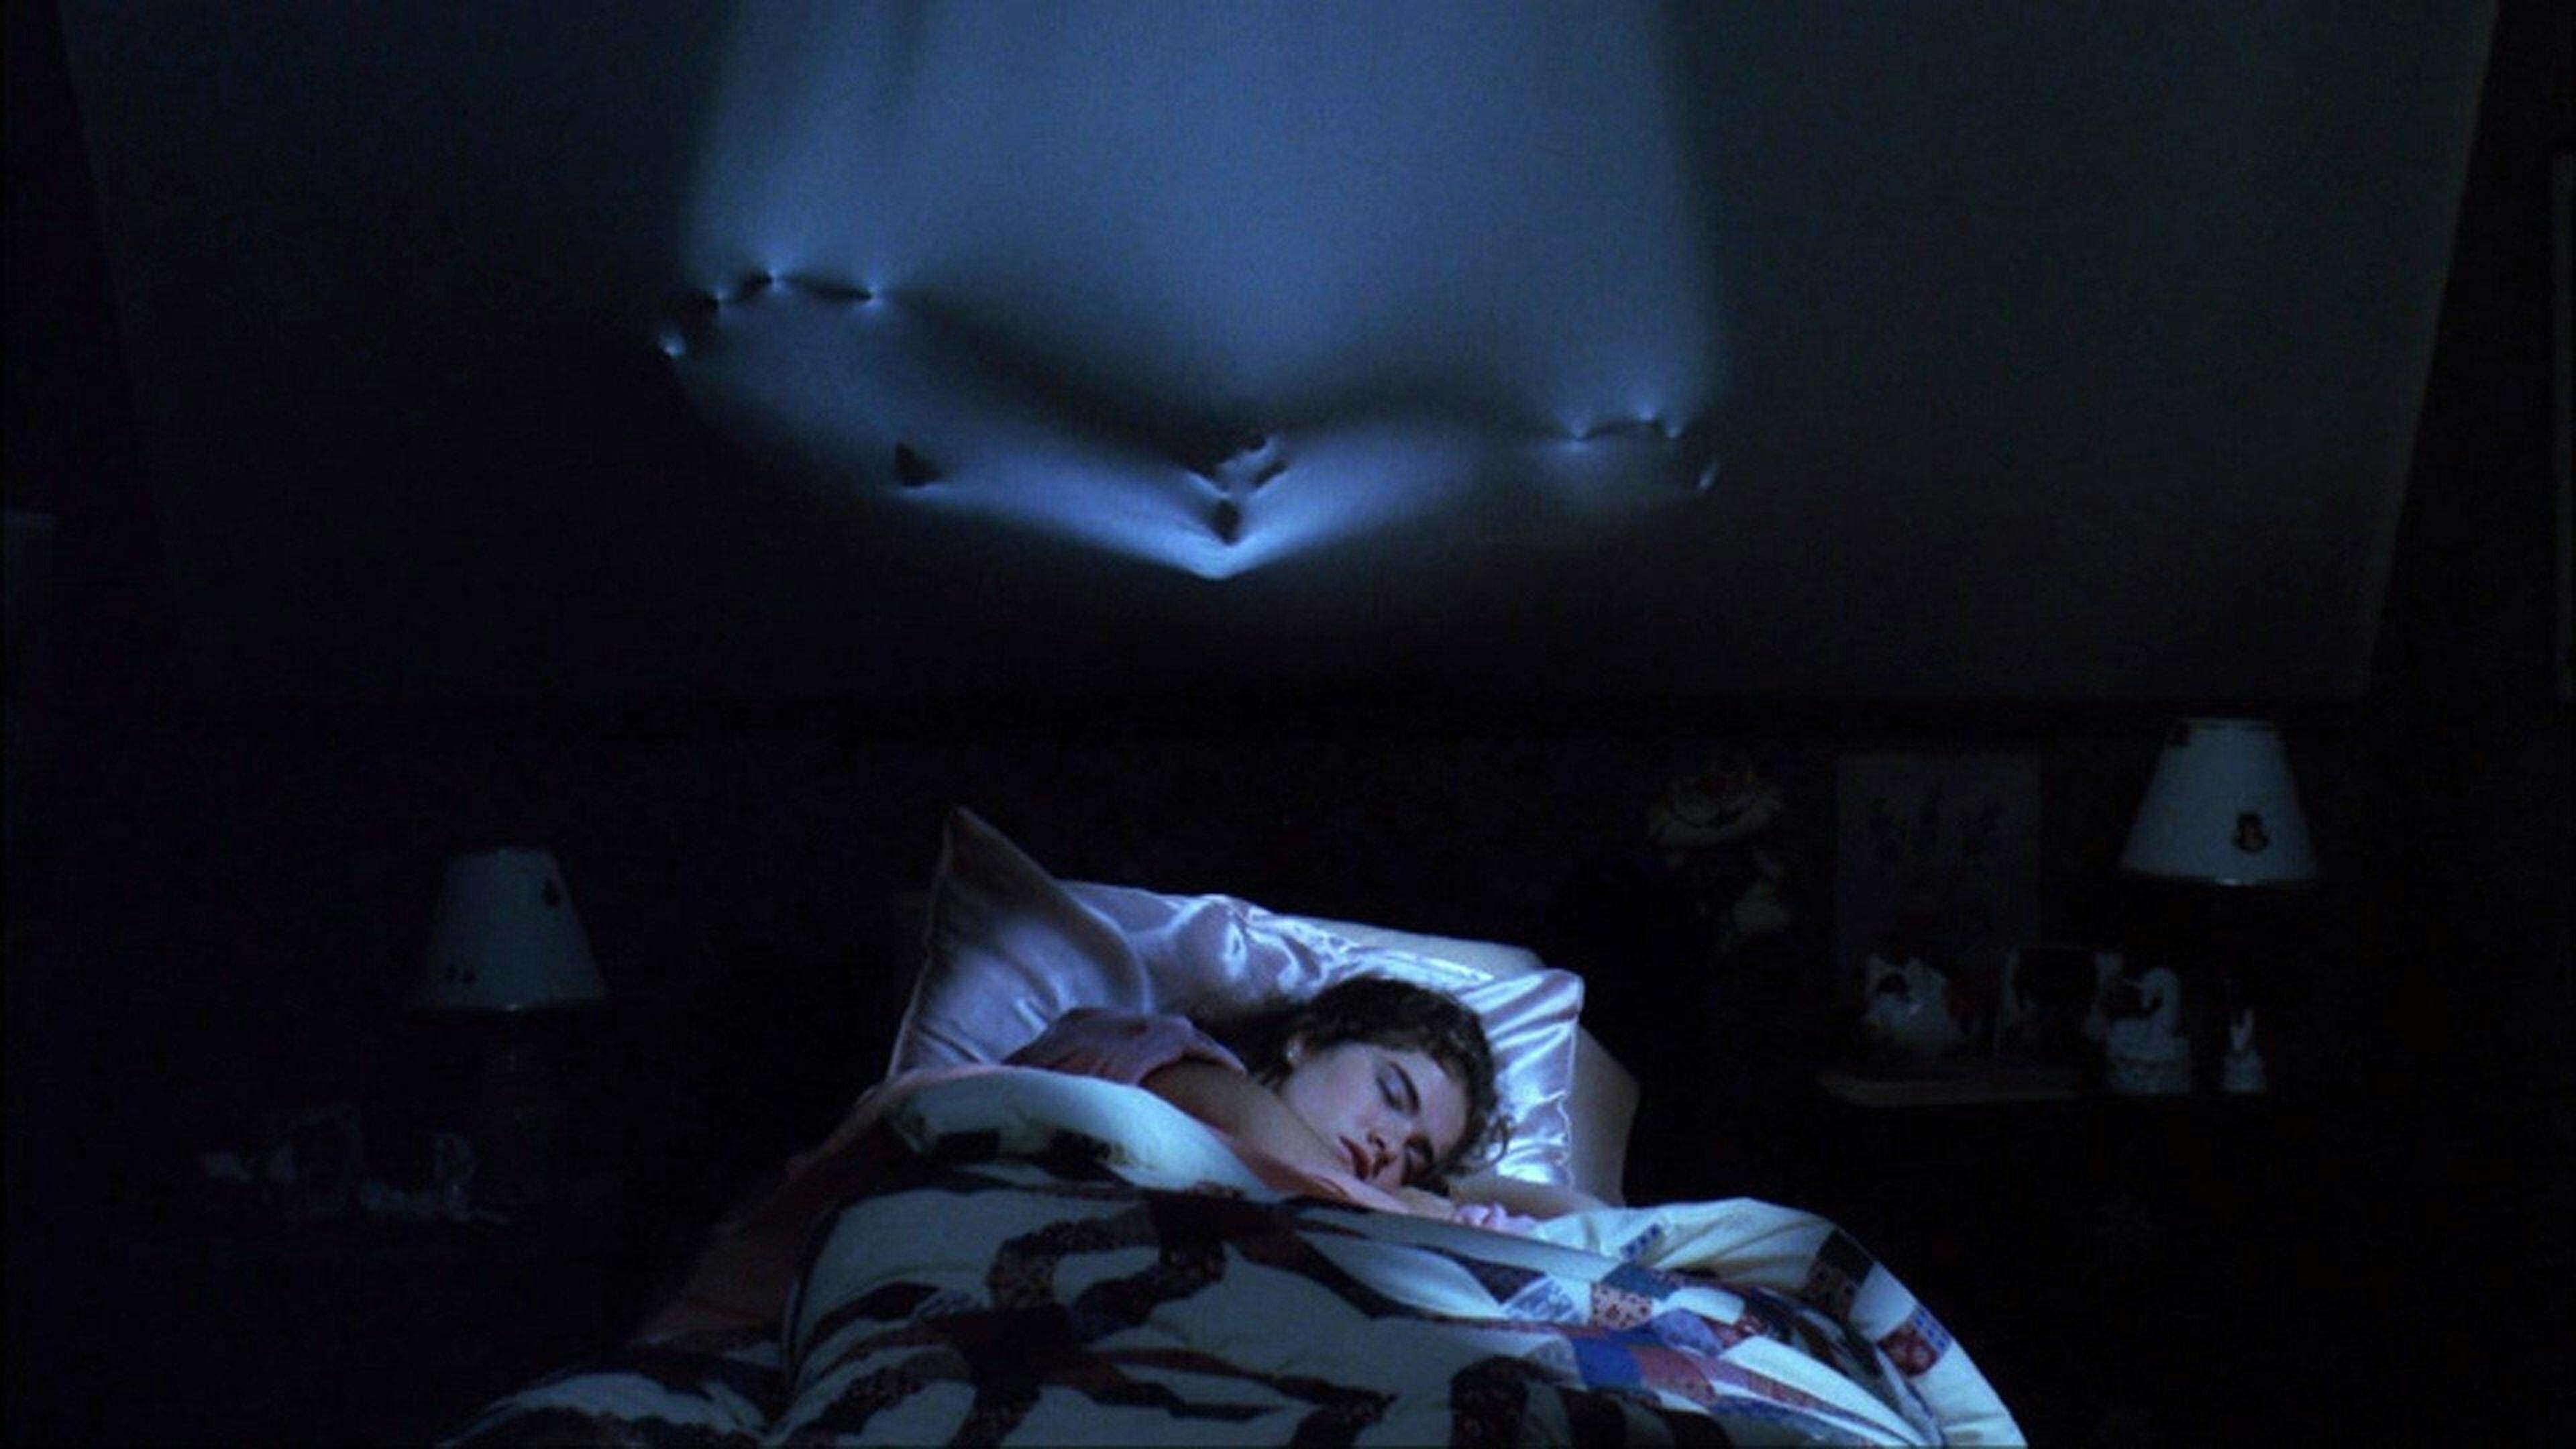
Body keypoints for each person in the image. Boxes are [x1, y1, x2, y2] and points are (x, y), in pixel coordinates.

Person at [1006, 976, 1535, 1230]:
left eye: (1415, 1157)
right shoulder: (1153, 1050)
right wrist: (1427, 1208)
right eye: (1392, 1094)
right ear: (1307, 1042)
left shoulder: (1340, 1213)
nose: (1389, 1146)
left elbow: (1578, 1216)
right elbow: (1273, 1145)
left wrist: (1453, 1192)